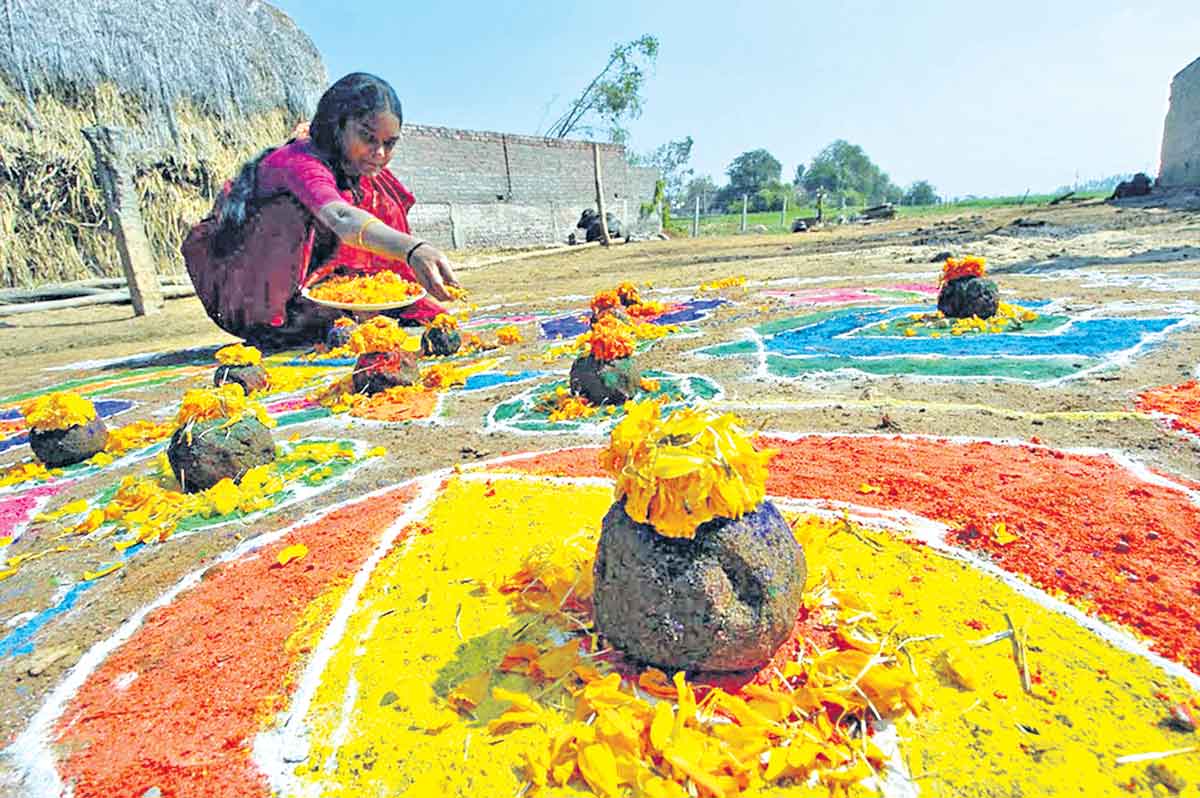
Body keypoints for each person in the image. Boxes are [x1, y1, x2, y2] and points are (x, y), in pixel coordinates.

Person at [187, 72, 460, 345]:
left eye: (389, 143)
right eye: (367, 137)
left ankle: (351, 307)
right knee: (290, 213)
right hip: (252, 291)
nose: (379, 153)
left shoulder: (359, 170)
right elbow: (341, 216)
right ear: (337, 127)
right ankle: (293, 320)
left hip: (321, 291)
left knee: (380, 199)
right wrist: (412, 249)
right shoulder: (299, 161)